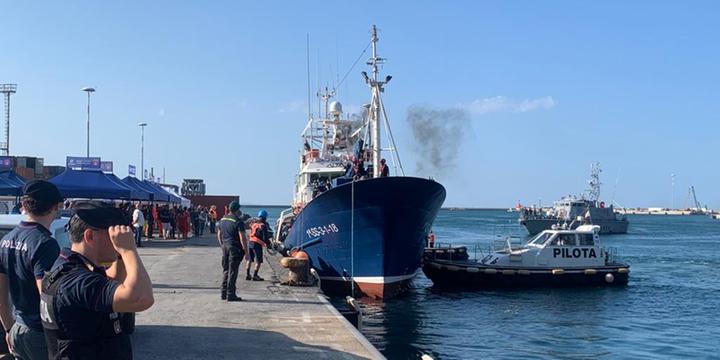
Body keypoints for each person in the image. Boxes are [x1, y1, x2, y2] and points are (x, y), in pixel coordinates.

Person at [40, 202, 154, 359]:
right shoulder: (75, 280)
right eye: (112, 236)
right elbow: (141, 298)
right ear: (90, 236)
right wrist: (128, 250)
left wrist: (120, 256)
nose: (117, 242)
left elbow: (109, 282)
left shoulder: (70, 266)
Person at [0, 180, 63, 360]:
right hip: (40, 333)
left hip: (17, 327)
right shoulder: (45, 243)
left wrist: (8, 328)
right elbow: (47, 295)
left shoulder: (6, 240)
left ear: (24, 205)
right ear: (54, 207)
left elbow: (1, 295)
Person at [217, 201, 247, 301]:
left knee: (226, 270)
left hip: (225, 246)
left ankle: (223, 293)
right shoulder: (238, 221)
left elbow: (219, 234)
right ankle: (231, 294)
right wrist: (246, 252)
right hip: (234, 247)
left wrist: (222, 245)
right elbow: (242, 237)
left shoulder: (222, 219)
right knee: (233, 271)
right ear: (237, 210)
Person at [245, 210, 273, 281]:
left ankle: (248, 275)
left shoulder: (254, 224)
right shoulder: (263, 226)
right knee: (259, 261)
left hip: (250, 243)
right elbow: (265, 238)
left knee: (250, 259)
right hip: (257, 244)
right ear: (265, 217)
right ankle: (255, 275)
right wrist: (269, 244)